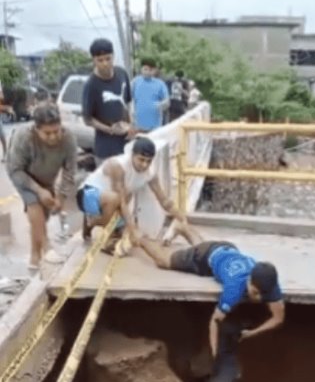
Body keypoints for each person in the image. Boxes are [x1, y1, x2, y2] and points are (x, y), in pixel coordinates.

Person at [135, 225, 284, 356]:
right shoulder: (233, 289)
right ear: (249, 280)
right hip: (205, 258)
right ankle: (139, 237)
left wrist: (252, 333)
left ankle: (182, 227)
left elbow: (278, 318)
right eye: (255, 292)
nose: (259, 298)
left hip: (228, 250)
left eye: (263, 294)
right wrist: (215, 354)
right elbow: (215, 321)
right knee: (163, 261)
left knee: (206, 247)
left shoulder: (269, 282)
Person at [76, 136, 184, 248]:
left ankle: (93, 222)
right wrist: (132, 230)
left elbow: (164, 201)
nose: (145, 165)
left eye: (149, 161)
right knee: (118, 199)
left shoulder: (150, 173)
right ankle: (103, 232)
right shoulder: (118, 165)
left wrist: (182, 218)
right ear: (132, 155)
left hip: (110, 201)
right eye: (141, 159)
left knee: (131, 235)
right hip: (87, 194)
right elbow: (121, 202)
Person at [4, 104, 77, 270]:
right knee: (34, 204)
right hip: (22, 174)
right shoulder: (24, 137)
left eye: (56, 131)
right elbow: (15, 169)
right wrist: (38, 190)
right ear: (36, 129)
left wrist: (61, 197)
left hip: (47, 178)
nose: (53, 137)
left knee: (42, 219)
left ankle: (34, 258)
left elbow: (70, 171)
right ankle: (47, 245)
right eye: (47, 133)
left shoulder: (68, 139)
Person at [82, 38, 134, 163]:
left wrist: (131, 124)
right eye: (100, 60)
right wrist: (110, 130)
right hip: (105, 148)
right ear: (94, 60)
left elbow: (128, 102)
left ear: (113, 56)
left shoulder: (122, 74)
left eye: (108, 58)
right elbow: (87, 119)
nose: (105, 63)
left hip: (126, 142)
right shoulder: (91, 85)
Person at [133, 58, 170, 133]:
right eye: (145, 69)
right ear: (141, 69)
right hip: (137, 126)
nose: (147, 72)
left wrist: (160, 105)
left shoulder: (160, 84)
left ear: (154, 71)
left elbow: (167, 101)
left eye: (150, 70)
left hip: (155, 126)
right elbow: (129, 100)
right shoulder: (135, 82)